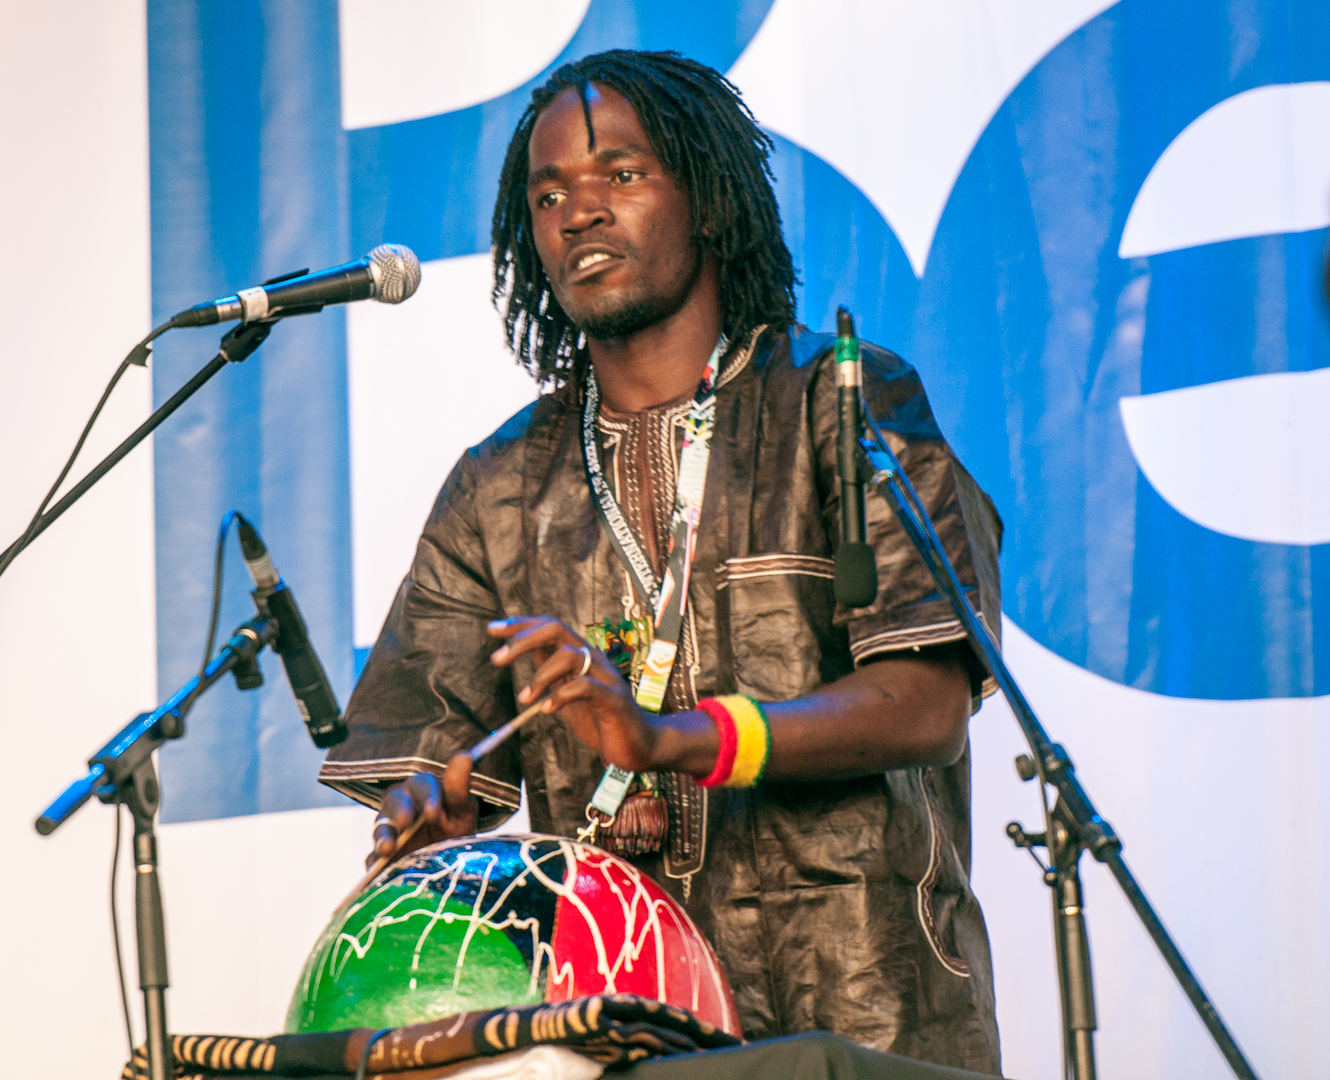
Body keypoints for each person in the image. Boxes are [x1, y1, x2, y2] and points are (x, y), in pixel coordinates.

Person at [320, 50, 1004, 1075]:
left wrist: (665, 738)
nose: (579, 212)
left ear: (710, 198)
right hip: (628, 1031)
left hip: (869, 1014)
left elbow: (924, 704)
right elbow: (438, 776)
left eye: (621, 175)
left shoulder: (840, 403)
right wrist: (438, 836)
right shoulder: (495, 487)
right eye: (549, 195)